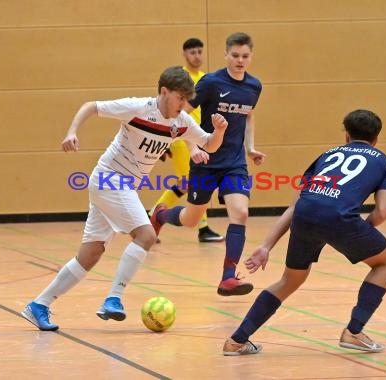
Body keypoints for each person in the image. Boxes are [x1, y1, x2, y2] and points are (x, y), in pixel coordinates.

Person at [21, 66, 228, 331]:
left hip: (122, 186)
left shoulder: (181, 122)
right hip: (109, 178)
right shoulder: (138, 108)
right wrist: (72, 131)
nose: (183, 104)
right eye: (179, 98)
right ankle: (114, 298)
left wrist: (219, 131)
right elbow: (91, 106)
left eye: (186, 99)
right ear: (164, 92)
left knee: (91, 254)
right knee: (147, 235)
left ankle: (39, 304)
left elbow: (208, 143)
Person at [222, 109, 386, 355]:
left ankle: (236, 340)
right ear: (377, 138)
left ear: (346, 136)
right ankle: (354, 331)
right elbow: (382, 212)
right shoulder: (383, 162)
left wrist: (266, 246)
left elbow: (296, 205)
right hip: (340, 218)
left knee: (289, 280)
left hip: (305, 215)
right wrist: (357, 235)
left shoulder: (326, 155)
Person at [151, 32, 266, 296]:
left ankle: (228, 277)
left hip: (234, 163)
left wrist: (249, 149)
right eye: (235, 55)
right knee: (191, 219)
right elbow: (182, 114)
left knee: (241, 213)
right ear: (226, 55)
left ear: (251, 56)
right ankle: (161, 214)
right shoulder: (211, 82)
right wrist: (191, 147)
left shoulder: (254, 86)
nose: (240, 60)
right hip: (205, 160)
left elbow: (248, 118)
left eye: (245, 56)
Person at [149, 37, 224, 243]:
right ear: (184, 54)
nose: (197, 56)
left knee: (184, 183)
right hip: (181, 138)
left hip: (197, 138)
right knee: (195, 182)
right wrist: (166, 139)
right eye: (193, 52)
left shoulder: (205, 79)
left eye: (200, 51)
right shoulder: (180, 78)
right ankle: (203, 227)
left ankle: (151, 218)